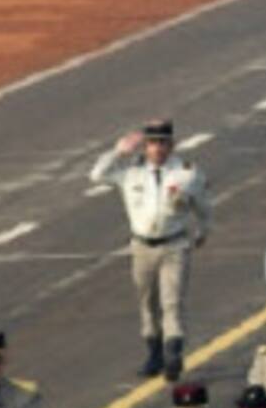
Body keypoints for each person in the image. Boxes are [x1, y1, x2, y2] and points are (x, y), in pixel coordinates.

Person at [88, 120, 213, 380]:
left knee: (172, 301)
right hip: (142, 246)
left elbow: (202, 206)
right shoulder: (131, 172)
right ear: (144, 146)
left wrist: (203, 231)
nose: (157, 149)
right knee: (148, 303)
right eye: (152, 143)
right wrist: (118, 152)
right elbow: (96, 175)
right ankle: (154, 353)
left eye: (162, 143)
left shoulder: (186, 173)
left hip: (174, 244)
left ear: (172, 145)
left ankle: (173, 352)